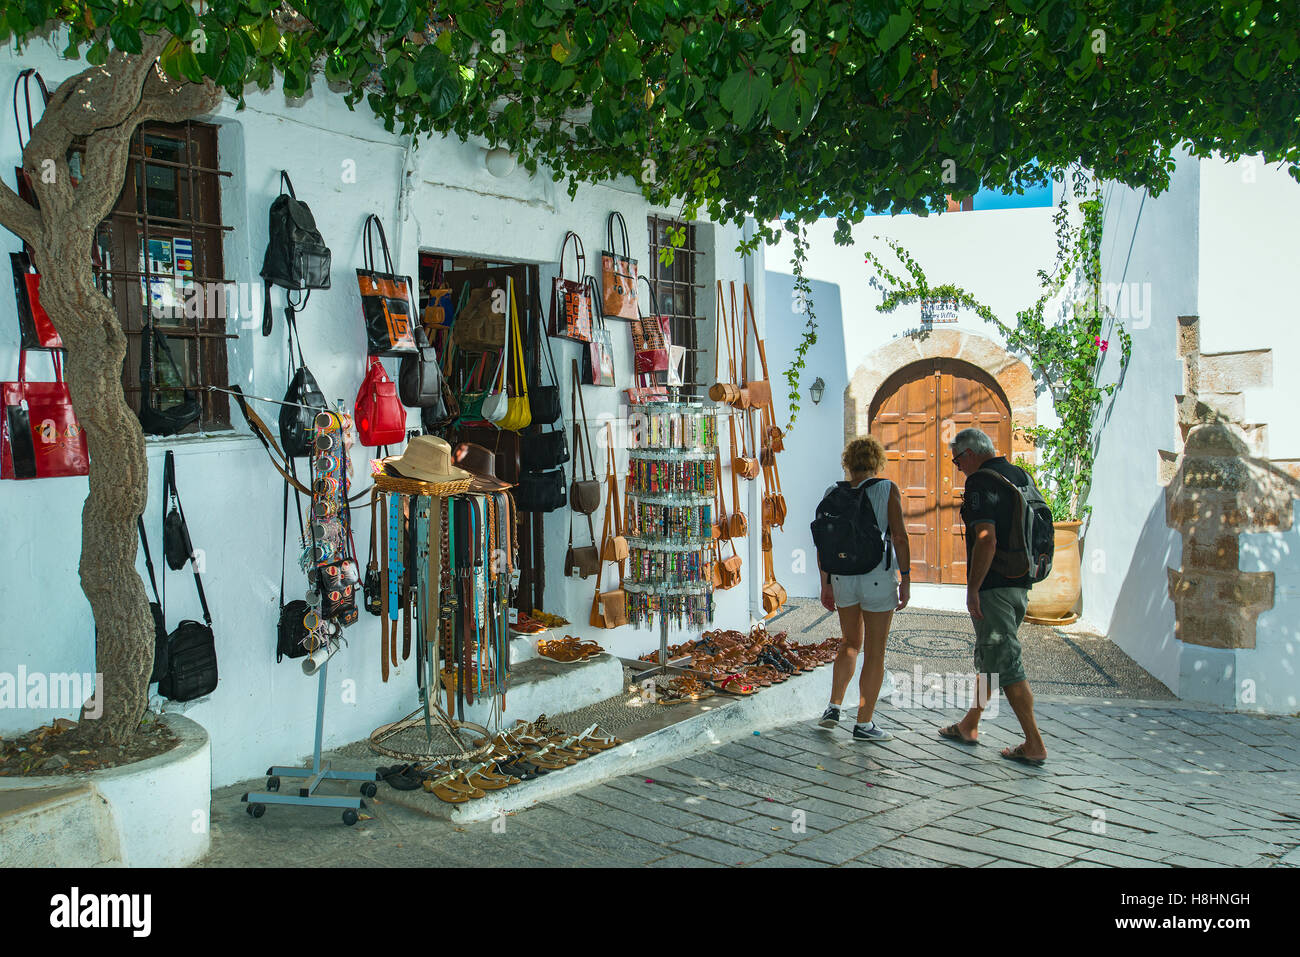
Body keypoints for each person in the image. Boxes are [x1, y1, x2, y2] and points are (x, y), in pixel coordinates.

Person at [939, 427, 1047, 765]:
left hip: (995, 584)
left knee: (1007, 662)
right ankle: (970, 724)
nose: (957, 467)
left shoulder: (980, 483)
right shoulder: (1018, 474)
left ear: (970, 454)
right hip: (1020, 580)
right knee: (993, 657)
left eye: (957, 460)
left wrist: (973, 588)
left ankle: (1034, 744)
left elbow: (986, 538)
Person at [816, 436, 910, 741]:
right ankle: (864, 723)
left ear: (848, 463)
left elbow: (823, 543)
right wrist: (906, 578)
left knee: (850, 643)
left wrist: (825, 583)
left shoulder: (833, 492)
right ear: (877, 463)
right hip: (877, 577)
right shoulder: (887, 489)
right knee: (875, 651)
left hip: (842, 577)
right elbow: (899, 537)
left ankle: (833, 705)